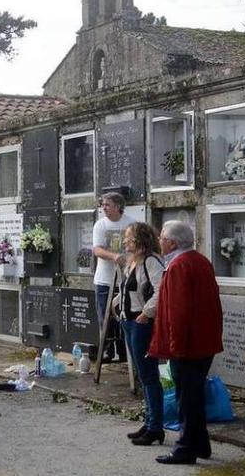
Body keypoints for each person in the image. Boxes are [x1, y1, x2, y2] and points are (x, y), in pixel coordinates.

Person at [148, 221, 223, 465]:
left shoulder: (179, 265)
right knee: (194, 395)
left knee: (186, 398)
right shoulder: (201, 261)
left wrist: (175, 347)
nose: (159, 241)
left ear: (172, 242)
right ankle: (201, 444)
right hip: (204, 340)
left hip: (188, 344)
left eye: (162, 238)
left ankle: (185, 449)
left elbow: (178, 310)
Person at [116, 223, 165, 446]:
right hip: (129, 321)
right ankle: (149, 422)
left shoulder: (151, 261)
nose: (125, 242)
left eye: (128, 238)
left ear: (139, 240)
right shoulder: (132, 261)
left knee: (148, 375)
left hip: (141, 323)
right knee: (143, 374)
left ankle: (156, 427)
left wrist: (147, 313)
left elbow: (161, 289)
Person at [92, 192, 135, 361]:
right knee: (105, 317)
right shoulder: (100, 225)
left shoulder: (131, 223)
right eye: (103, 205)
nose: (104, 208)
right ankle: (107, 350)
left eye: (107, 205)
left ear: (118, 206)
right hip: (105, 279)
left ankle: (125, 353)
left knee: (127, 315)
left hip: (127, 278)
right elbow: (97, 250)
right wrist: (114, 256)